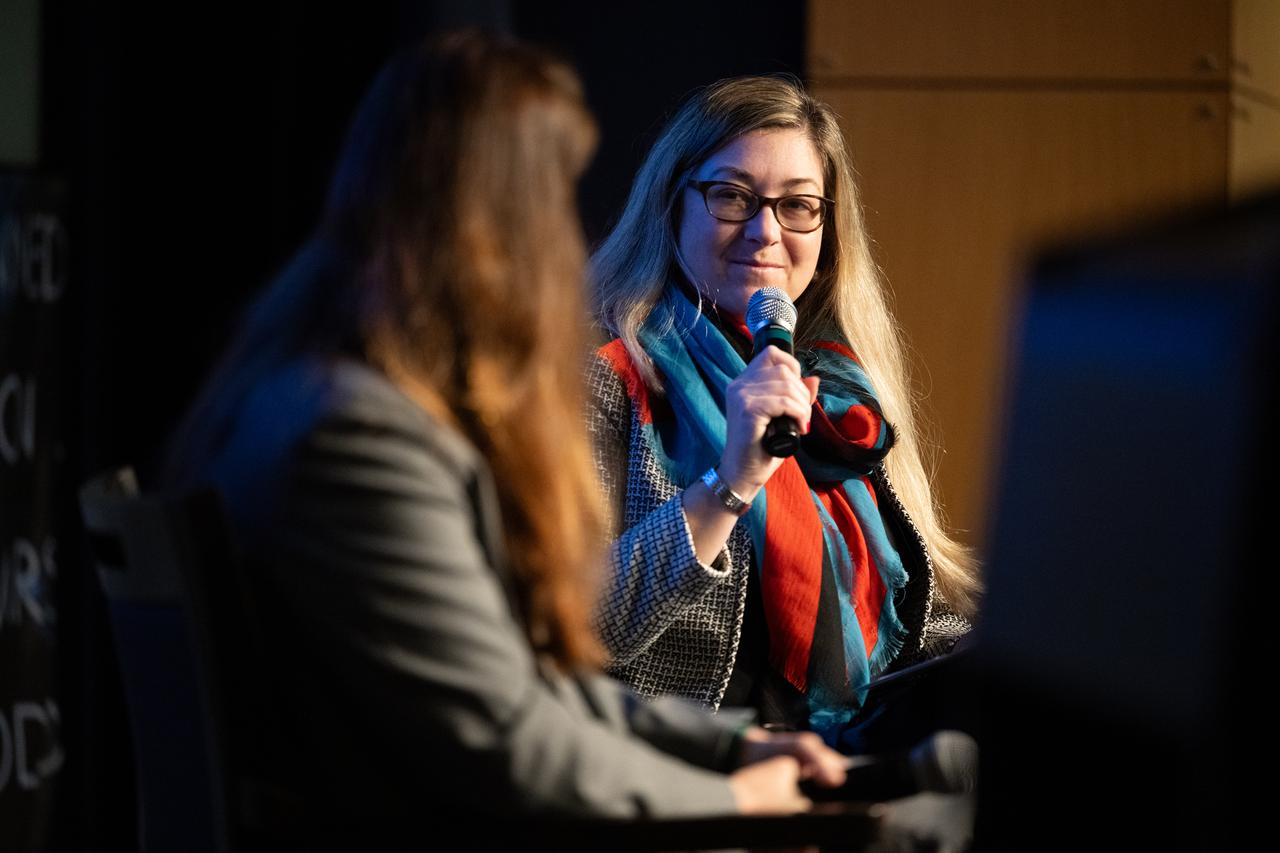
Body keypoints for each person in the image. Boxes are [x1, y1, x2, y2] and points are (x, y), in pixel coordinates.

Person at [163, 33, 846, 825]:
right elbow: (506, 738)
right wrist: (736, 800)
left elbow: (525, 683)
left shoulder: (316, 387)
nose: (563, 238)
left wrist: (728, 748)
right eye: (549, 200)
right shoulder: (356, 437)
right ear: (486, 225)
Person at [587, 75, 982, 748]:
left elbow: (914, 616)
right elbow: (576, 627)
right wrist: (731, 480)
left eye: (798, 205)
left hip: (843, 760)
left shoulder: (845, 395)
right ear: (671, 206)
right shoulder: (603, 378)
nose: (765, 232)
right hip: (684, 771)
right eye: (732, 196)